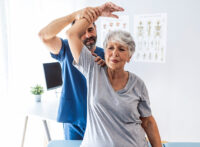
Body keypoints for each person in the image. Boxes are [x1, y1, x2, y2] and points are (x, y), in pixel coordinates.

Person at [66, 2, 162, 147]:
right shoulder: (93, 70)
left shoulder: (138, 84)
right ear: (104, 52)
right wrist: (97, 12)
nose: (114, 53)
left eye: (122, 49)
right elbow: (72, 34)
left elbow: (148, 122)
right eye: (110, 48)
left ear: (129, 56)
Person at [38, 7, 105, 140]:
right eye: (82, 32)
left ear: (96, 30)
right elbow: (43, 35)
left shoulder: (105, 54)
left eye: (90, 30)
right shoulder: (66, 49)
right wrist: (74, 15)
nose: (88, 35)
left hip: (99, 121)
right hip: (74, 121)